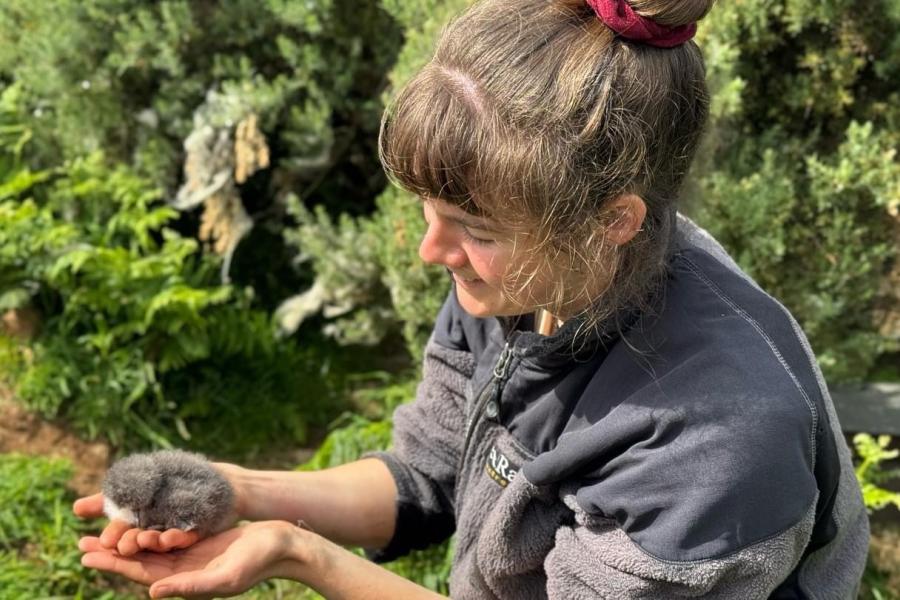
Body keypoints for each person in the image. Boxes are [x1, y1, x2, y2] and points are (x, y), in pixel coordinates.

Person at [74, 0, 871, 597]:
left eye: (470, 225)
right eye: (429, 210)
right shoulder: (533, 270)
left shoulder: (714, 441)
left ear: (612, 220)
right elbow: (428, 479)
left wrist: (298, 554)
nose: (432, 251)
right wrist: (239, 493)